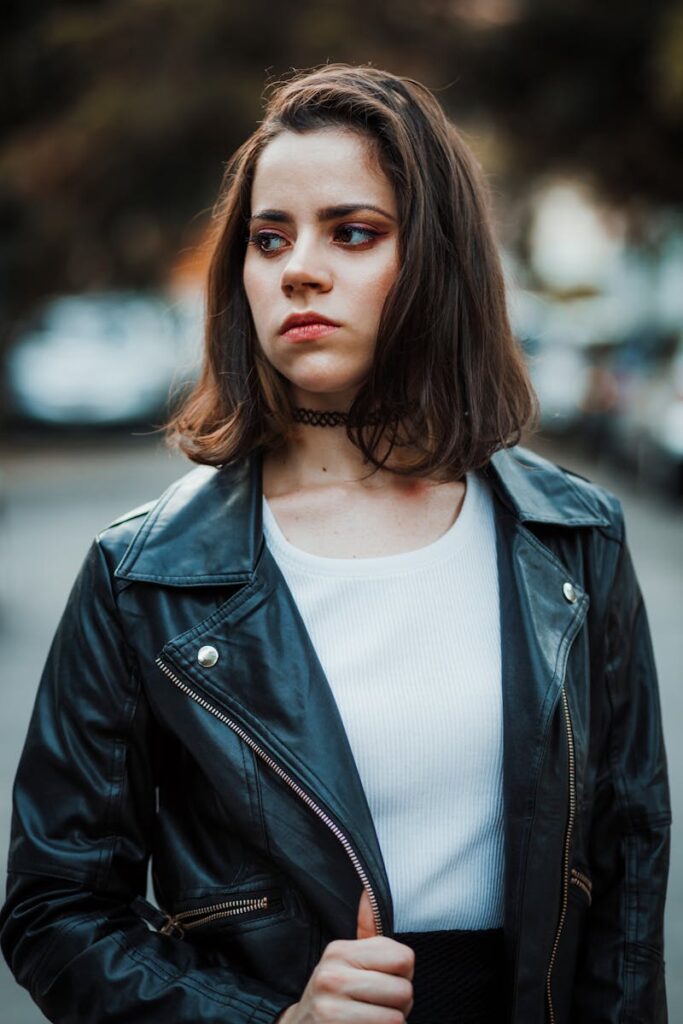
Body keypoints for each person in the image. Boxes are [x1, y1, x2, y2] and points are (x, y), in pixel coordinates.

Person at [0, 64, 670, 1024]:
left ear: (437, 259)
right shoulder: (143, 575)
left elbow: (628, 879)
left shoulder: (572, 540)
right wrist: (265, 1021)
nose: (296, 268)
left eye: (352, 232)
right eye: (269, 239)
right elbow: (54, 910)